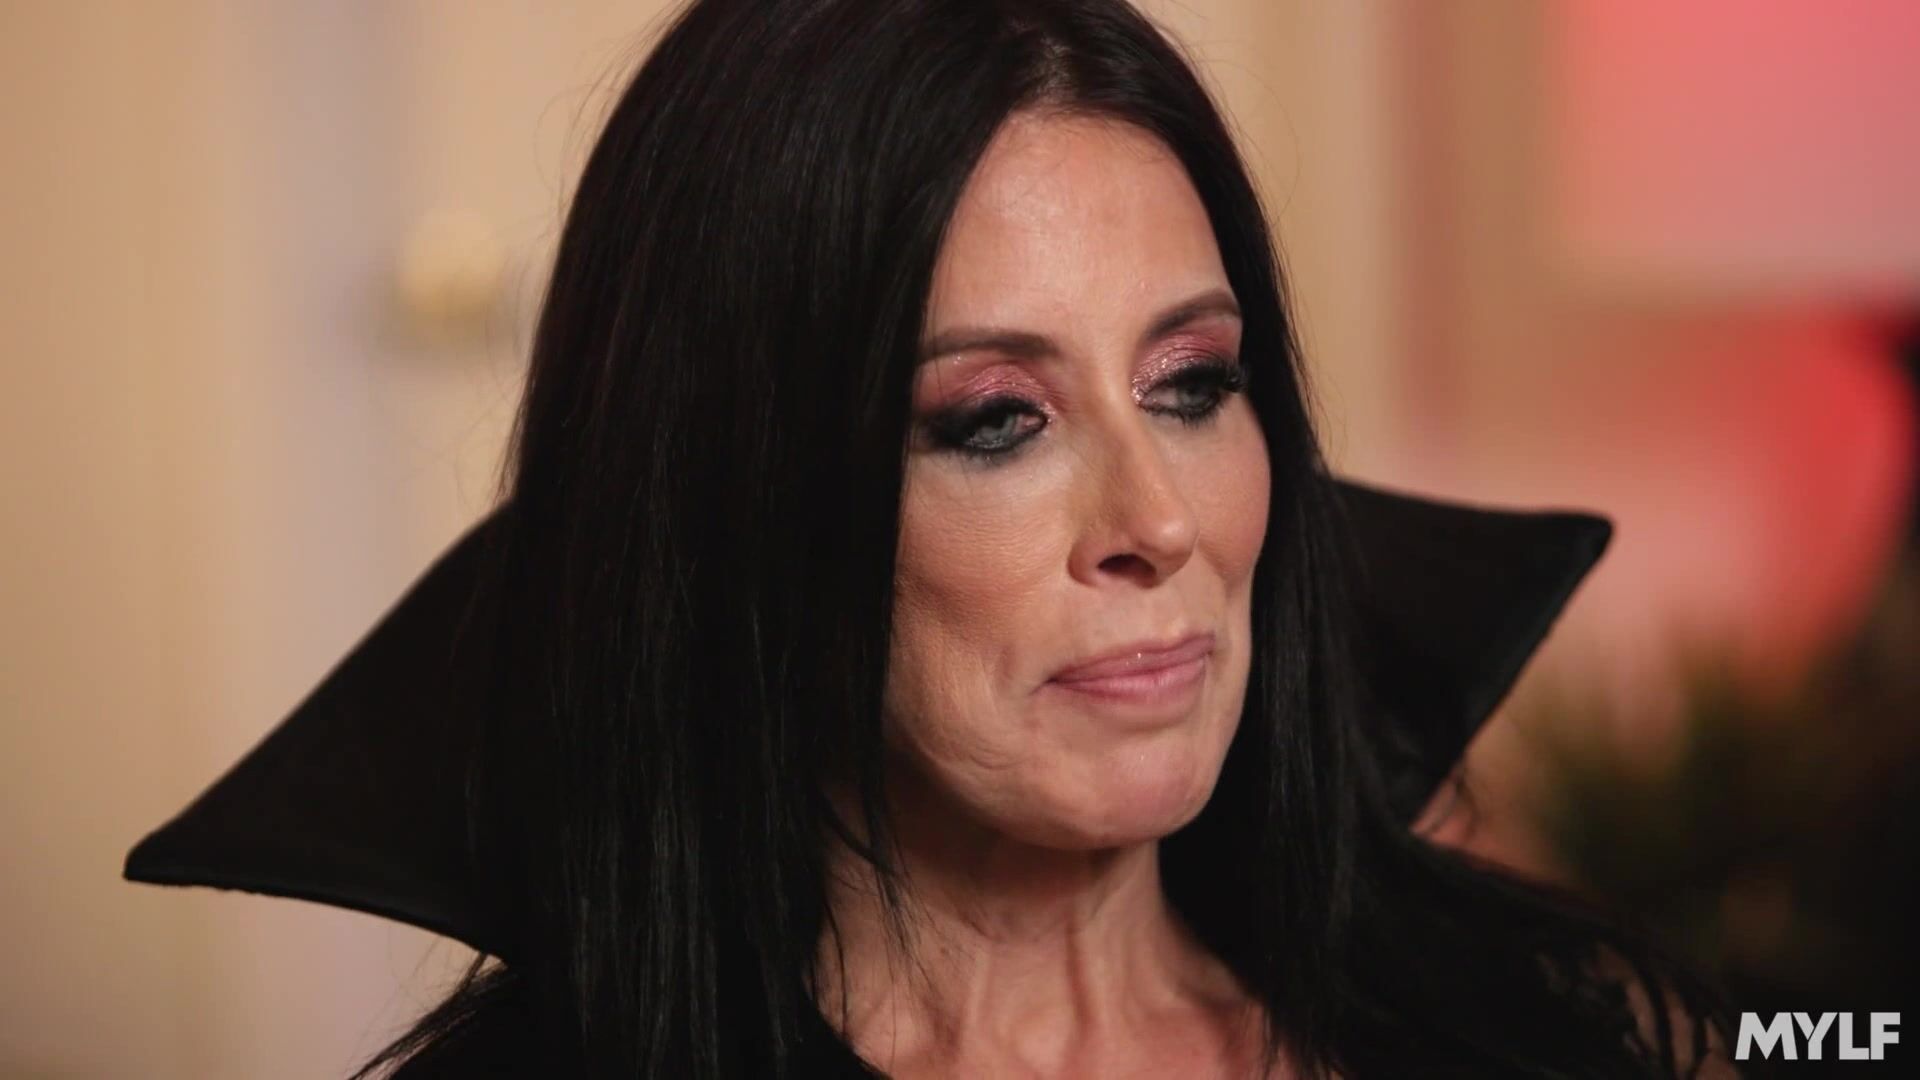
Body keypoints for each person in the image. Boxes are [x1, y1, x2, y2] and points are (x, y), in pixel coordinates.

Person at [125, 0, 1744, 1075]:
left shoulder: (1548, 1027)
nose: (1159, 522)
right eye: (994, 420)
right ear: (746, 512)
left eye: (1194, 384)